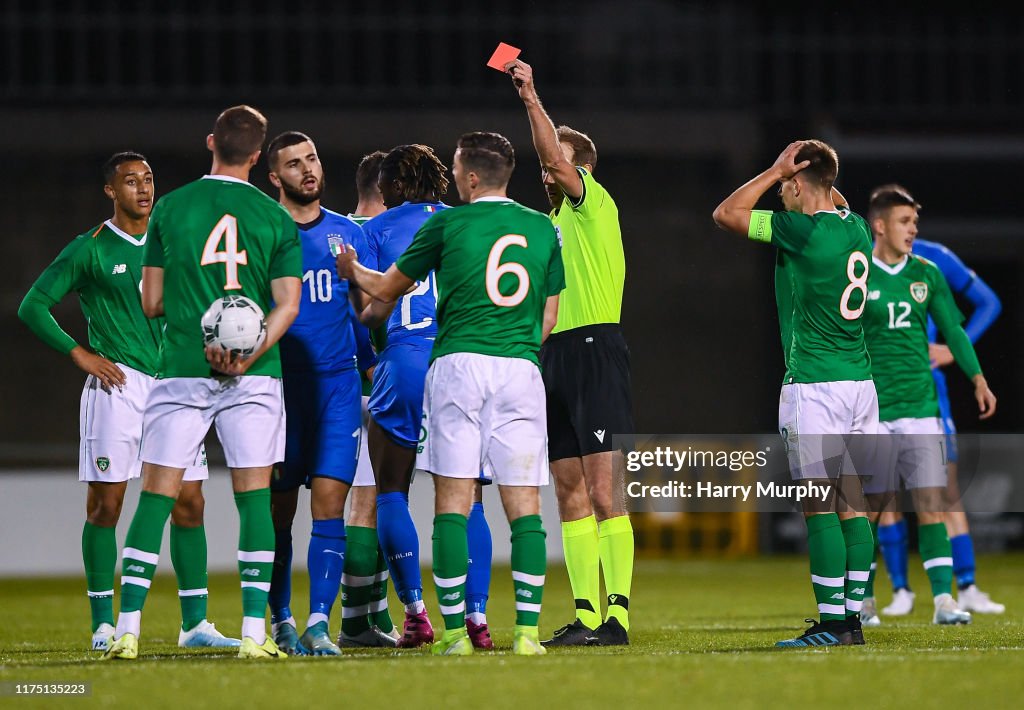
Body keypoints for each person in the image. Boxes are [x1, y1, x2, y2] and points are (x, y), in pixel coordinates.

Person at [337, 131, 564, 656]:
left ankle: (429, 619)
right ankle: (515, 629)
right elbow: (547, 319)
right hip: (518, 368)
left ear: (471, 176)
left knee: (420, 495)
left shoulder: (439, 224)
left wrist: (352, 275)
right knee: (514, 505)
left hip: (437, 364)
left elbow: (382, 297)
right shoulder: (541, 227)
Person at [103, 105, 302, 660]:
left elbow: (152, 301)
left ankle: (127, 631)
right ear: (259, 155)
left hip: (184, 370)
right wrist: (248, 348)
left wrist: (201, 317)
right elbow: (288, 305)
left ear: (211, 141)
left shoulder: (170, 207)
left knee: (156, 497)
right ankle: (254, 638)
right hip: (255, 377)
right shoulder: (274, 216)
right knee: (254, 499)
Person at [17, 152, 237, 652]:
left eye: (149, 179)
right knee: (106, 505)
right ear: (110, 191)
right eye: (130, 181)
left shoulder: (173, 239)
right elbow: (32, 305)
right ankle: (103, 623)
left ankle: (195, 625)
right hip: (117, 389)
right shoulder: (89, 249)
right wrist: (80, 354)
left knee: (190, 502)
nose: (143, 188)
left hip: (173, 387)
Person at [713, 140, 877, 647]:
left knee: (819, 507)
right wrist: (814, 175)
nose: (780, 191)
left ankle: (831, 624)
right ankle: (851, 621)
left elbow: (727, 214)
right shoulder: (856, 228)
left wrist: (773, 168)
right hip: (861, 384)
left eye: (787, 184)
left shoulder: (802, 231)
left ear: (799, 183)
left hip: (816, 385)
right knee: (853, 505)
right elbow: (838, 199)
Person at [504, 58, 634, 646]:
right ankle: (585, 616)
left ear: (575, 166)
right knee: (569, 490)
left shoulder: (592, 204)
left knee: (606, 491)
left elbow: (555, 155)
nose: (545, 170)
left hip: (595, 349)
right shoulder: (548, 224)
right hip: (554, 355)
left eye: (553, 161)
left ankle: (618, 617)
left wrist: (531, 96)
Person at [352, 143, 498, 649]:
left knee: (391, 490)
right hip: (462, 361)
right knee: (468, 499)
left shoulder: (372, 230)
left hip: (405, 361)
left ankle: (415, 612)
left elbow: (368, 308)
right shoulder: (468, 223)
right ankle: (475, 619)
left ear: (390, 187)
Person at [859, 184, 996, 627]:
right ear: (879, 226)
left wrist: (977, 377)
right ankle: (862, 601)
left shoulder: (927, 273)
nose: (912, 229)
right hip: (874, 410)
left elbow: (954, 331)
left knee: (932, 502)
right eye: (904, 221)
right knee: (871, 508)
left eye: (914, 221)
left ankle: (943, 601)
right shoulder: (856, 274)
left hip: (921, 406)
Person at [262, 131, 365, 655]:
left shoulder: (349, 236)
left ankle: (319, 622)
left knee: (330, 503)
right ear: (274, 177)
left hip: (338, 387)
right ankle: (279, 617)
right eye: (294, 163)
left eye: (313, 158)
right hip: (280, 391)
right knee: (280, 512)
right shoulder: (264, 235)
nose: (308, 169)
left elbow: (368, 316)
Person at [338, 150, 400, 647]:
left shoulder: (335, 232)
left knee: (376, 504)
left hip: (337, 386)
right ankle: (356, 623)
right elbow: (365, 313)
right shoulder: (374, 236)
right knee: (368, 505)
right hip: (369, 386)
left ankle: (374, 618)